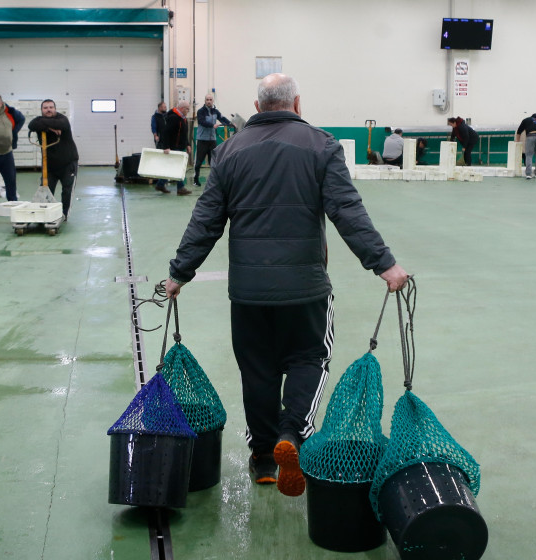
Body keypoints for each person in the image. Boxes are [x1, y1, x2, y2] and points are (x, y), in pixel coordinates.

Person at [163, 73, 409, 497]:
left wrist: (179, 272)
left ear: (257, 108)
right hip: (305, 287)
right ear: (297, 103)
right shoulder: (322, 145)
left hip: (248, 292)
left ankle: (262, 459)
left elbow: (206, 220)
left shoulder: (227, 151)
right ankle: (291, 435)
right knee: (308, 359)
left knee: (256, 370)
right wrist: (384, 265)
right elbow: (347, 212)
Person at [27, 99, 79, 219]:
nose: (48, 110)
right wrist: (51, 128)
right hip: (50, 165)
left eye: (51, 107)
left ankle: (64, 215)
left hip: (68, 163)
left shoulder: (63, 119)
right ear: (41, 110)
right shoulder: (38, 120)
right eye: (45, 108)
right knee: (46, 189)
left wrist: (44, 126)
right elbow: (32, 125)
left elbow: (62, 125)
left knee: (67, 191)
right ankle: (46, 214)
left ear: (55, 109)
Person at [193, 93, 232, 186]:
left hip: (212, 140)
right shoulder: (201, 111)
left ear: (213, 101)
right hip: (202, 140)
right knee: (198, 162)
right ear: (205, 101)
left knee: (213, 162)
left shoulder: (215, 111)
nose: (209, 101)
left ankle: (214, 181)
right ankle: (196, 180)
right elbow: (202, 121)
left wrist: (231, 123)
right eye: (207, 99)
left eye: (210, 99)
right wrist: (212, 125)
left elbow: (222, 118)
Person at [155, 100, 192, 196]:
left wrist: (187, 144)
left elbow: (184, 134)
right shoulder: (174, 118)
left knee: (171, 167)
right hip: (173, 147)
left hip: (179, 147)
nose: (188, 111)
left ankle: (160, 184)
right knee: (179, 168)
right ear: (182, 108)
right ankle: (180, 188)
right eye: (187, 109)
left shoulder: (182, 118)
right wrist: (166, 147)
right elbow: (165, 133)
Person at [515, 113, 536, 179]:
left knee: (529, 155)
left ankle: (528, 174)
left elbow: (519, 131)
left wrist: (517, 141)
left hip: (530, 136)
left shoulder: (526, 120)